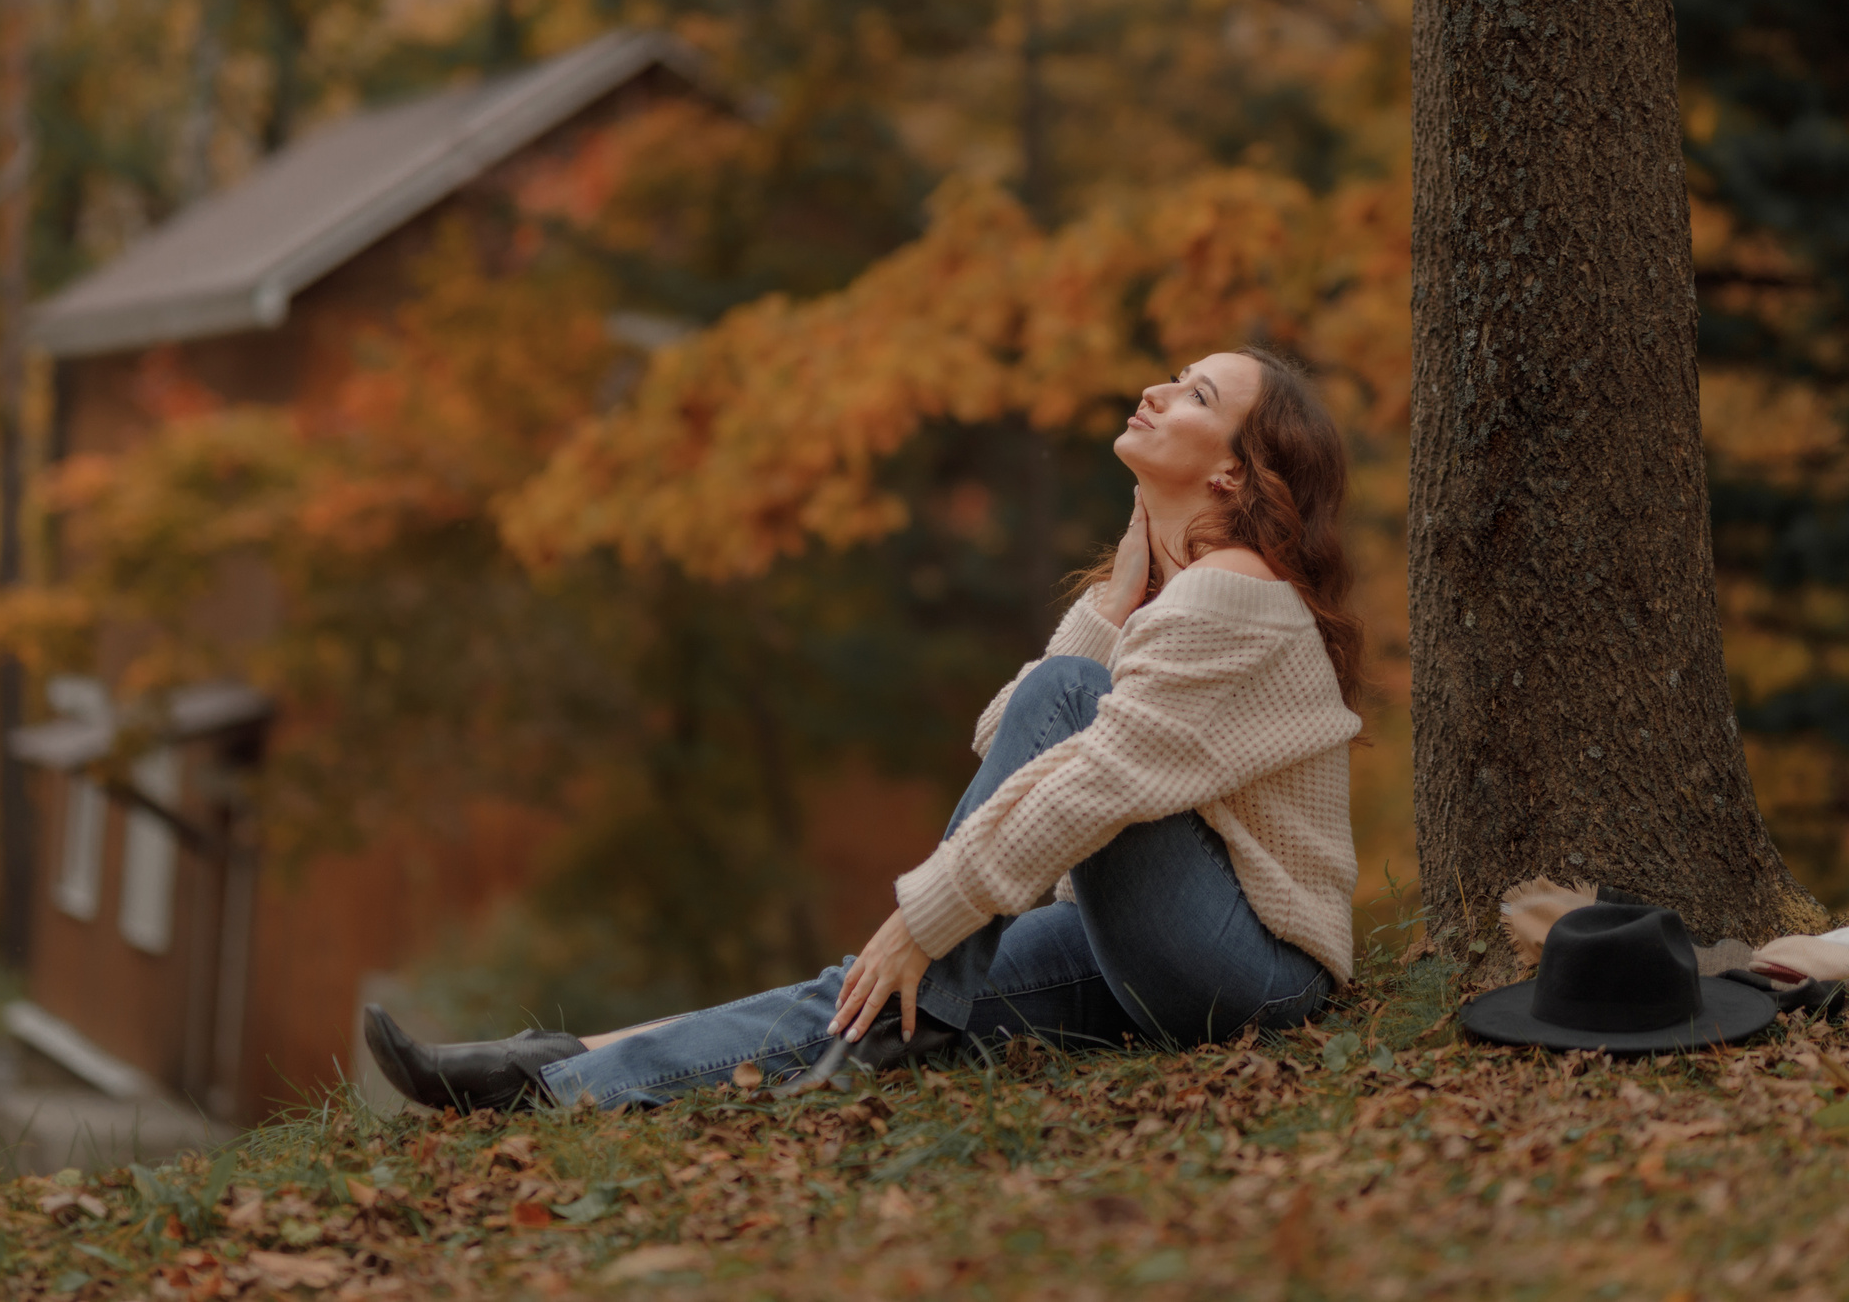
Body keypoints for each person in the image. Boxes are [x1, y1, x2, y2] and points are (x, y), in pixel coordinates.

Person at [365, 347, 1367, 1113]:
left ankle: (903, 1009)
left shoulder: (1233, 598)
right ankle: (554, 1077)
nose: (1158, 390)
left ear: (1235, 475)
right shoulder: (1175, 595)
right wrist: (1122, 585)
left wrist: (923, 917)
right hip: (1155, 952)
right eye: (1175, 376)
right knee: (877, 992)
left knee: (943, 909)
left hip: (1248, 976)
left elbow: (1084, 770)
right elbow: (1001, 734)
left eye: (1197, 395)